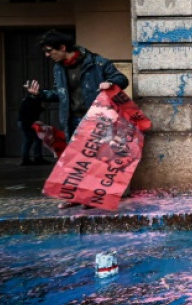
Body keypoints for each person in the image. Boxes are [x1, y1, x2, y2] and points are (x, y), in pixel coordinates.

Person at [26, 29, 129, 208]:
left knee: (95, 159)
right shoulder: (59, 68)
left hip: (96, 119)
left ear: (63, 47)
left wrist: (111, 83)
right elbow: (60, 94)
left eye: (50, 51)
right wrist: (39, 94)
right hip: (72, 120)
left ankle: (90, 196)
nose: (47, 55)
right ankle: (74, 196)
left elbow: (122, 79)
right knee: (74, 161)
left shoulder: (97, 62)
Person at [17, 82, 48, 165]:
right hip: (25, 122)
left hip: (25, 122)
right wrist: (34, 121)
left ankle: (31, 158)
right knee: (29, 139)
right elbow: (28, 113)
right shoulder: (30, 100)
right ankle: (28, 159)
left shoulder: (32, 99)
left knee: (33, 139)